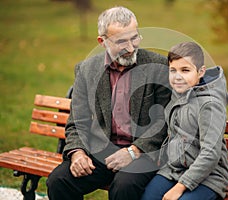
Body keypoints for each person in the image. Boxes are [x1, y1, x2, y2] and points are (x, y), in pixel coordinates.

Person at [46, 6, 171, 200]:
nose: (130, 48)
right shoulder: (86, 70)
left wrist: (133, 151)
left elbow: (163, 122)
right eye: (121, 41)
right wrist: (77, 153)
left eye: (134, 38)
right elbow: (77, 121)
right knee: (58, 181)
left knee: (123, 187)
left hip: (143, 153)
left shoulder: (158, 66)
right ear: (102, 42)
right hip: (100, 152)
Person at [141, 42, 228, 200]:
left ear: (201, 71)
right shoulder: (178, 94)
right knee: (148, 197)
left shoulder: (210, 105)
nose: (177, 76)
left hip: (208, 178)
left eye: (185, 70)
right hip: (174, 170)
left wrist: (180, 187)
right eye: (172, 70)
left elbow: (210, 154)